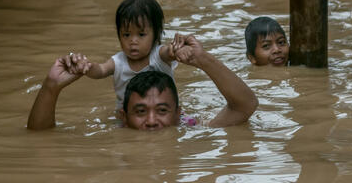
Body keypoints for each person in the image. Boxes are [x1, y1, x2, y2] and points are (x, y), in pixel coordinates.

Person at [26, 36, 258, 130]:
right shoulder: (115, 134)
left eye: (162, 110)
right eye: (140, 111)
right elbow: (40, 137)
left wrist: (203, 60)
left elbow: (245, 106)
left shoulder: (190, 128)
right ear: (123, 117)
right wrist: (50, 87)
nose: (151, 121)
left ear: (178, 114)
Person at [67, 0, 180, 111]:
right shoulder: (118, 62)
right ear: (119, 35)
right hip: (129, 117)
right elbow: (100, 70)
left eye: (141, 35)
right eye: (126, 35)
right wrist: (86, 66)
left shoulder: (159, 56)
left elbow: (169, 52)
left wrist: (175, 49)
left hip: (164, 113)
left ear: (156, 35)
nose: (133, 41)